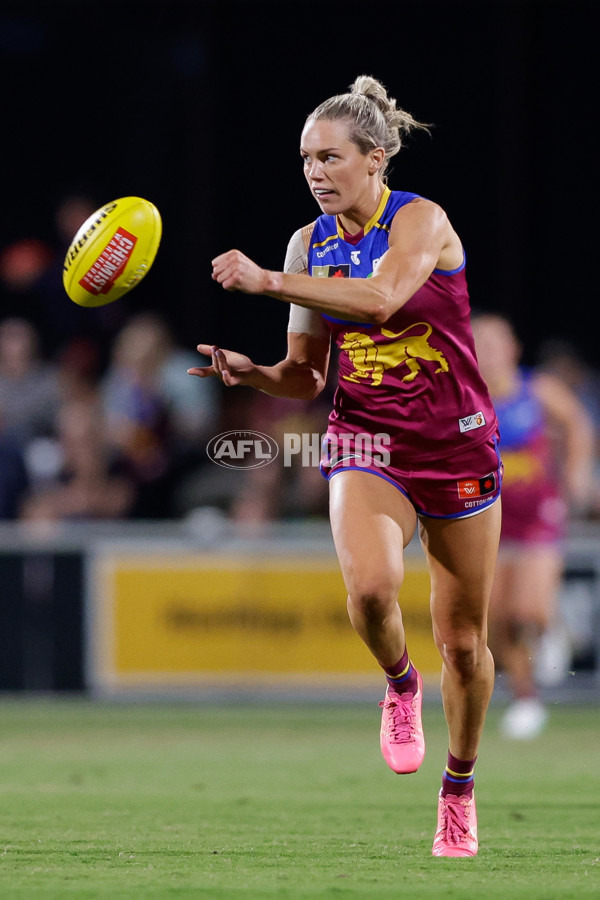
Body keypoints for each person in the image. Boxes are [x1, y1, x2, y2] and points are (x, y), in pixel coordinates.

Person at [189, 76, 502, 857]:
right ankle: (399, 684)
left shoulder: (421, 219)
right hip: (366, 440)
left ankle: (458, 791)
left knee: (463, 643)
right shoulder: (308, 243)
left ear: (376, 159)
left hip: (456, 444)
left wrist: (264, 281)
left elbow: (387, 298)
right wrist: (251, 372)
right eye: (305, 159)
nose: (315, 172)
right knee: (369, 592)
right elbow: (306, 375)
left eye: (330, 157)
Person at [472, 313, 594, 739]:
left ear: (513, 349)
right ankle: (526, 697)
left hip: (539, 518)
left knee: (527, 611)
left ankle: (552, 627)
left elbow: (578, 424)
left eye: (494, 341)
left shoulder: (537, 389)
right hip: (486, 519)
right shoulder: (463, 396)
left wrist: (576, 473)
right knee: (496, 623)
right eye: (478, 341)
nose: (485, 350)